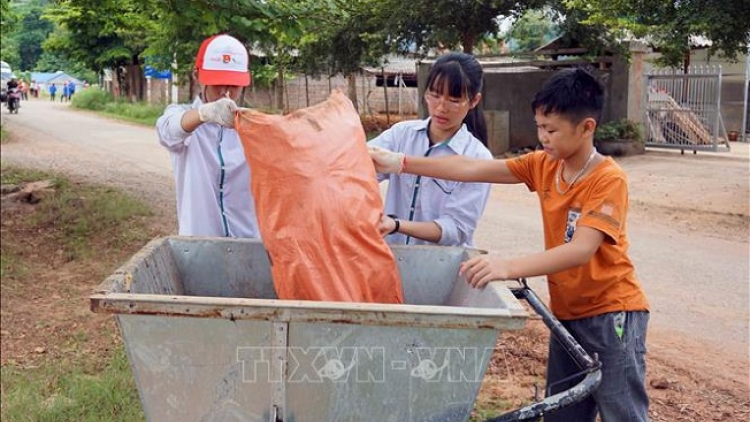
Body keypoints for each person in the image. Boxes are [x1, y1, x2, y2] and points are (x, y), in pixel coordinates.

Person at [370, 68, 650, 422]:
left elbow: (581, 250)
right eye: (539, 127)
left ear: (587, 127)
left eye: (551, 130)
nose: (543, 137)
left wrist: (507, 267)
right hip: (567, 313)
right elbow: (471, 169)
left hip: (612, 314)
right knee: (564, 411)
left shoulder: (607, 179)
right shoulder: (544, 165)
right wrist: (402, 163)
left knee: (622, 412)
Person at [368, 52, 492, 247]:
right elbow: (358, 169)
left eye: (454, 99)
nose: (441, 107)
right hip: (394, 259)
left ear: (474, 101)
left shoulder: (478, 158)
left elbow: (456, 229)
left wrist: (397, 225)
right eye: (434, 95)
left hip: (442, 266)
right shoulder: (402, 134)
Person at [156, 33, 260, 238]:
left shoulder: (252, 125)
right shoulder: (182, 116)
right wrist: (204, 114)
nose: (225, 91)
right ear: (197, 75)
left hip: (248, 243)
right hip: (200, 243)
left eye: (233, 85)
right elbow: (167, 131)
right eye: (217, 82)